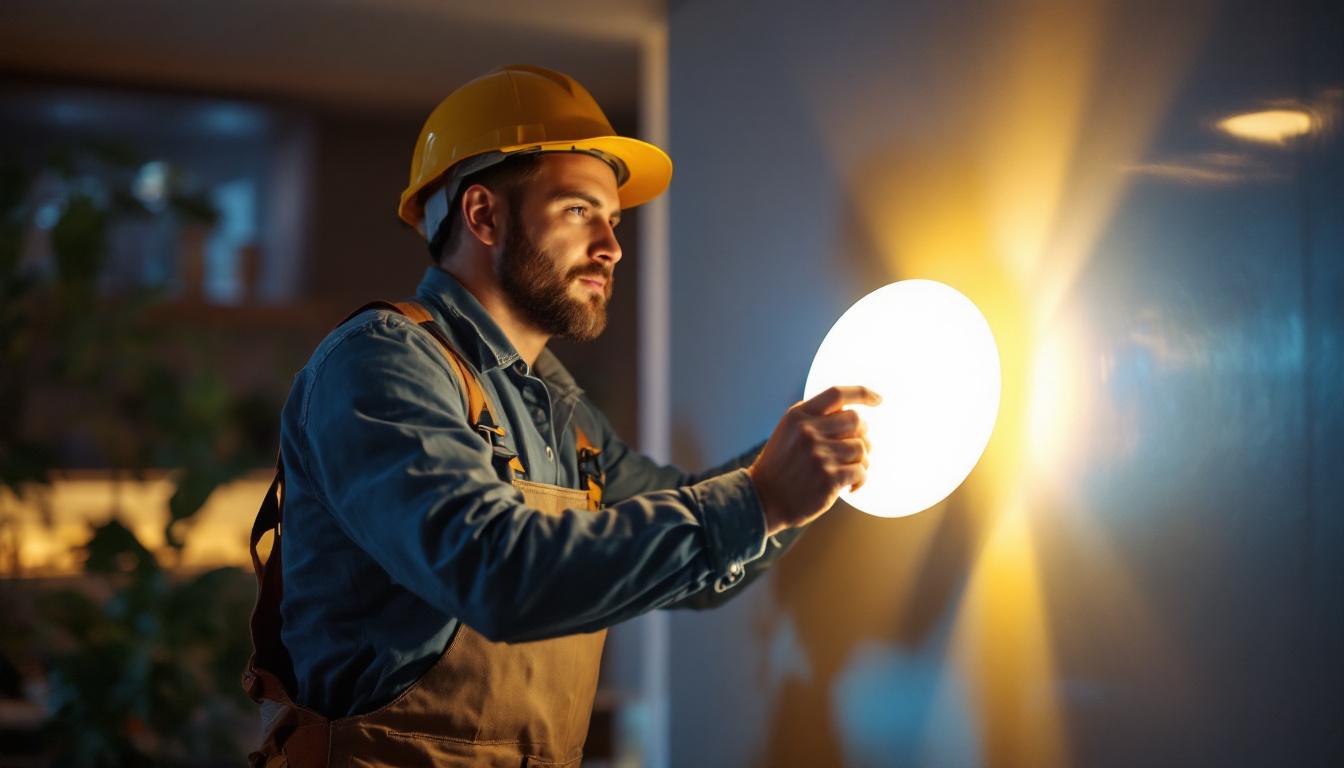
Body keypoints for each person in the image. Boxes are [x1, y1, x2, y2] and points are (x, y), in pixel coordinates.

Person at [243, 64, 877, 767]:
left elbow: (697, 563)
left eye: (613, 219)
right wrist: (763, 496)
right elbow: (496, 572)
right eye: (580, 211)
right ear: (483, 215)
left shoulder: (563, 417)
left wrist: (813, 465)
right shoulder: (380, 365)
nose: (611, 246)